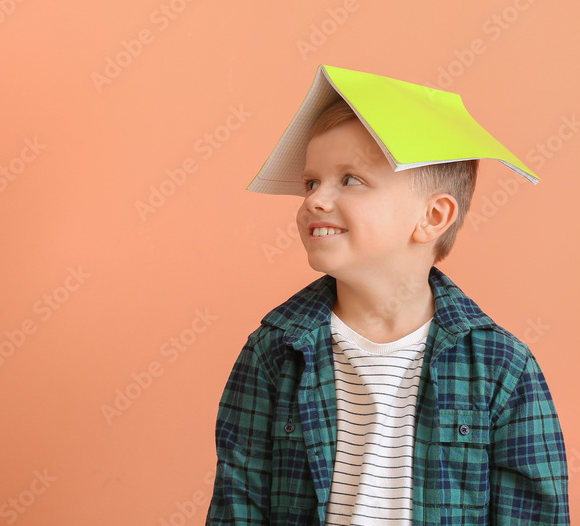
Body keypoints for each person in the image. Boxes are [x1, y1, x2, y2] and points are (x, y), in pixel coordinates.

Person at [207, 66, 569, 524]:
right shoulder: (272, 353)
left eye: (350, 180)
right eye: (311, 182)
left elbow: (534, 514)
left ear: (433, 217)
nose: (314, 200)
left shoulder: (503, 367)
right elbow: (237, 506)